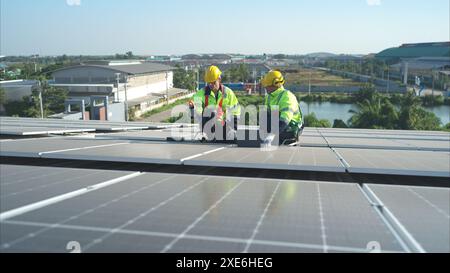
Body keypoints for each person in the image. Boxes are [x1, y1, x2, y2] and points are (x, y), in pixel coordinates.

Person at [193, 65, 240, 141]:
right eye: (209, 83)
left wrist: (232, 129)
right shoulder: (201, 93)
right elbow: (197, 109)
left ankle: (222, 135)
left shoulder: (228, 93)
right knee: (211, 111)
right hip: (209, 125)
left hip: (225, 124)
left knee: (225, 138)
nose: (211, 85)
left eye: (213, 82)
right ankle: (210, 135)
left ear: (219, 79)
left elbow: (235, 113)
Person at [261, 70, 304, 145]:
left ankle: (290, 139)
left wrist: (271, 135)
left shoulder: (287, 96)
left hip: (291, 127)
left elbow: (285, 120)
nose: (265, 87)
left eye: (267, 85)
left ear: (276, 84)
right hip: (279, 125)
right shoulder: (269, 96)